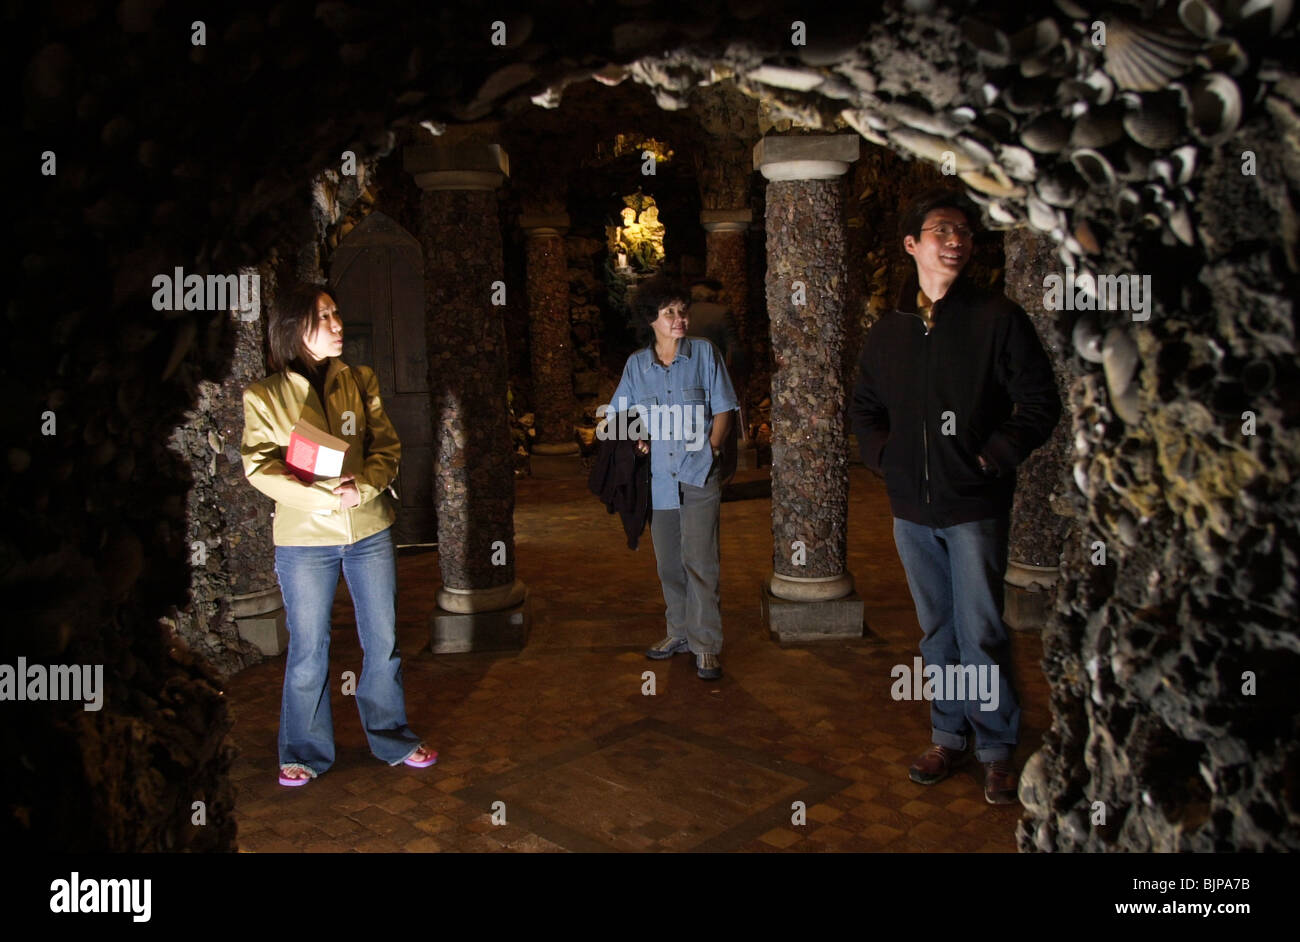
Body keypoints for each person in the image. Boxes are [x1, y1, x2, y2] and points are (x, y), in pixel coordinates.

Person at [849, 189, 1060, 804]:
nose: (956, 239)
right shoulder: (889, 332)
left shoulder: (996, 319)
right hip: (911, 510)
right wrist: (886, 458)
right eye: (942, 228)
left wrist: (992, 456)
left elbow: (1039, 402)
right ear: (913, 244)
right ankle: (949, 733)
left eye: (965, 231)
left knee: (982, 630)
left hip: (973, 506)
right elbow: (864, 408)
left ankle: (996, 747)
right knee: (937, 632)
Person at [241, 283, 436, 786]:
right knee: (309, 646)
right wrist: (325, 497)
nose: (337, 324)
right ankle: (302, 751)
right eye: (323, 316)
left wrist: (363, 487)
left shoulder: (360, 380)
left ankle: (393, 737)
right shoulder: (264, 396)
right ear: (294, 327)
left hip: (368, 529)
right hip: (304, 540)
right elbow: (260, 468)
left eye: (336, 313)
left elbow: (386, 447)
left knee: (385, 640)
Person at [606, 274, 739, 680]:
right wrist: (640, 438)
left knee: (701, 562)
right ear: (652, 319)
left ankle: (706, 645)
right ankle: (678, 632)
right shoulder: (637, 366)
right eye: (670, 313)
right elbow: (619, 417)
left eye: (683, 312)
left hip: (699, 474)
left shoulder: (704, 353)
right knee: (669, 564)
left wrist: (712, 450)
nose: (680, 319)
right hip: (660, 481)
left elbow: (724, 409)